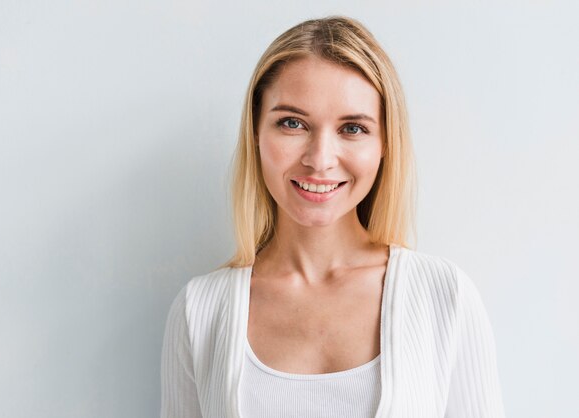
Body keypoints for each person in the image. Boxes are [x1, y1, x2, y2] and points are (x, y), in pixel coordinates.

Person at [160, 15, 505, 418]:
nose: (319, 160)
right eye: (292, 123)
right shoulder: (199, 310)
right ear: (255, 131)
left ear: (385, 144)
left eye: (353, 129)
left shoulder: (444, 297)